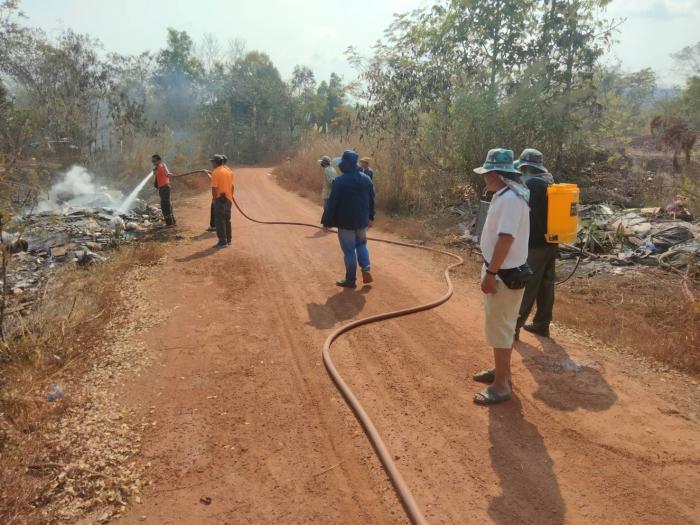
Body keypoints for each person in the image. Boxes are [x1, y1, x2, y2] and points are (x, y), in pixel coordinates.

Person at [471, 148, 530, 405]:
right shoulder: (505, 195)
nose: (484, 178)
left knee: (501, 328)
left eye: (487, 173)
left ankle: (502, 384)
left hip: (503, 274)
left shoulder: (510, 200)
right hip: (501, 270)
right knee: (499, 326)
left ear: (496, 174)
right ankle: (501, 370)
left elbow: (506, 239)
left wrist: (491, 273)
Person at [514, 149, 557, 339]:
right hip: (551, 242)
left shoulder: (530, 185)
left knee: (527, 286)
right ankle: (542, 324)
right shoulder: (549, 182)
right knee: (546, 284)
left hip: (535, 244)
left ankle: (513, 328)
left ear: (524, 167)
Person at [321, 150, 375, 288]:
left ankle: (350, 280)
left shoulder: (340, 181)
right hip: (362, 221)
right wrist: (371, 217)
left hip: (345, 222)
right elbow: (371, 200)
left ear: (345, 164)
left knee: (349, 250)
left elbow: (332, 203)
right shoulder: (366, 179)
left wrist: (326, 221)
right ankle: (366, 269)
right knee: (361, 244)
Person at [210, 154, 234, 248]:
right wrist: (230, 197)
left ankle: (222, 242)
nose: (212, 164)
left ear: (216, 163)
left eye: (212, 162)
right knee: (227, 219)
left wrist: (214, 199)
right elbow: (232, 186)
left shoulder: (216, 172)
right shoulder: (229, 171)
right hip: (228, 199)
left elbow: (214, 188)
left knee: (219, 220)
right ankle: (228, 239)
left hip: (220, 199)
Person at [152, 154, 176, 226]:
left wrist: (169, 174)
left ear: (159, 160)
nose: (153, 162)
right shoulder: (157, 168)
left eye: (154, 161)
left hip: (165, 187)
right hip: (161, 189)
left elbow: (167, 173)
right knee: (166, 205)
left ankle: (170, 223)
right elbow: (157, 176)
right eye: (152, 161)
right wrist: (155, 171)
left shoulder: (162, 165)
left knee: (165, 206)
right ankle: (171, 222)